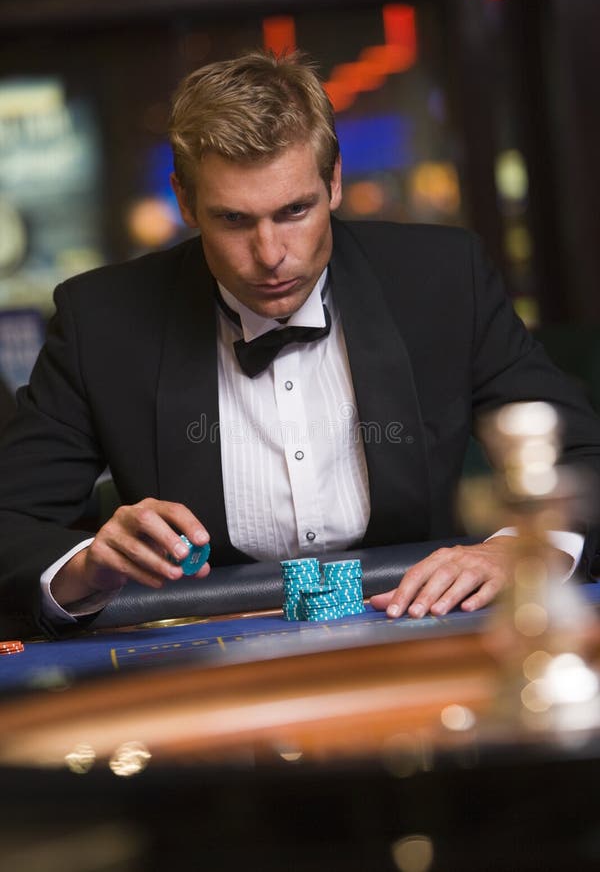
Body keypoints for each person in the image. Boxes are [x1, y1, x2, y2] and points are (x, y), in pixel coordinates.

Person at [1, 50, 599, 638]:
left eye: (294, 210)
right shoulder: (102, 320)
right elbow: (11, 521)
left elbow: (583, 460)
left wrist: (518, 551)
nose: (269, 255)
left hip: (421, 629)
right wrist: (88, 564)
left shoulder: (443, 278)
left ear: (333, 182)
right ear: (184, 202)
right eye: (234, 220)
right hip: (208, 658)